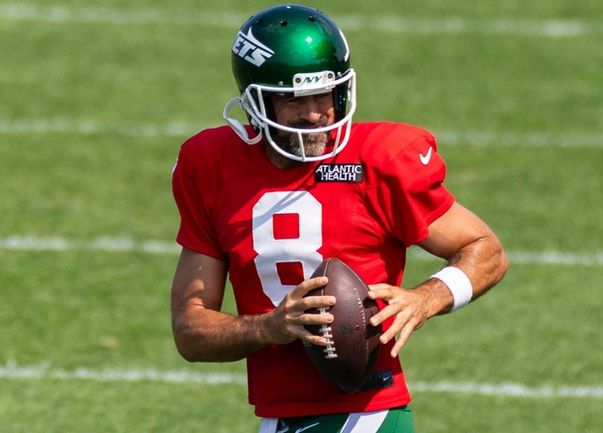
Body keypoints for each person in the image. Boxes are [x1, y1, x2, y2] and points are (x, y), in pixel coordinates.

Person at [170, 3, 508, 432]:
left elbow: (486, 250)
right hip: (277, 418)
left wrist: (427, 297)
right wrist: (270, 326)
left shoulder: (382, 159)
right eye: (293, 98)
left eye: (324, 94)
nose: (313, 113)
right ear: (256, 101)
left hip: (368, 413)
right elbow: (190, 329)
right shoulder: (211, 166)